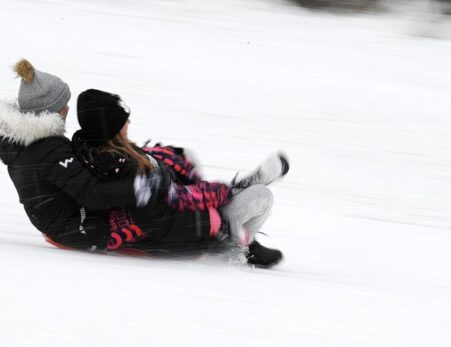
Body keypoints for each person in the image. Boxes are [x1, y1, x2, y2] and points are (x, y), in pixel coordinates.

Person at [71, 88, 289, 267]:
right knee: (261, 197)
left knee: (188, 161)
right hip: (188, 228)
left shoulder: (104, 153)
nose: (130, 124)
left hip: (177, 218)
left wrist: (170, 160)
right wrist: (223, 193)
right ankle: (237, 245)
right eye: (124, 122)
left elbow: (161, 186)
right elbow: (176, 199)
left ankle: (240, 216)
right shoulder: (124, 167)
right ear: (111, 129)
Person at [0, 59, 171, 251]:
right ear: (50, 111)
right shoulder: (48, 151)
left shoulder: (25, 143)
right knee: (161, 215)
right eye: (63, 105)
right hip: (77, 228)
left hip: (67, 218)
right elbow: (92, 194)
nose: (68, 109)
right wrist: (140, 188)